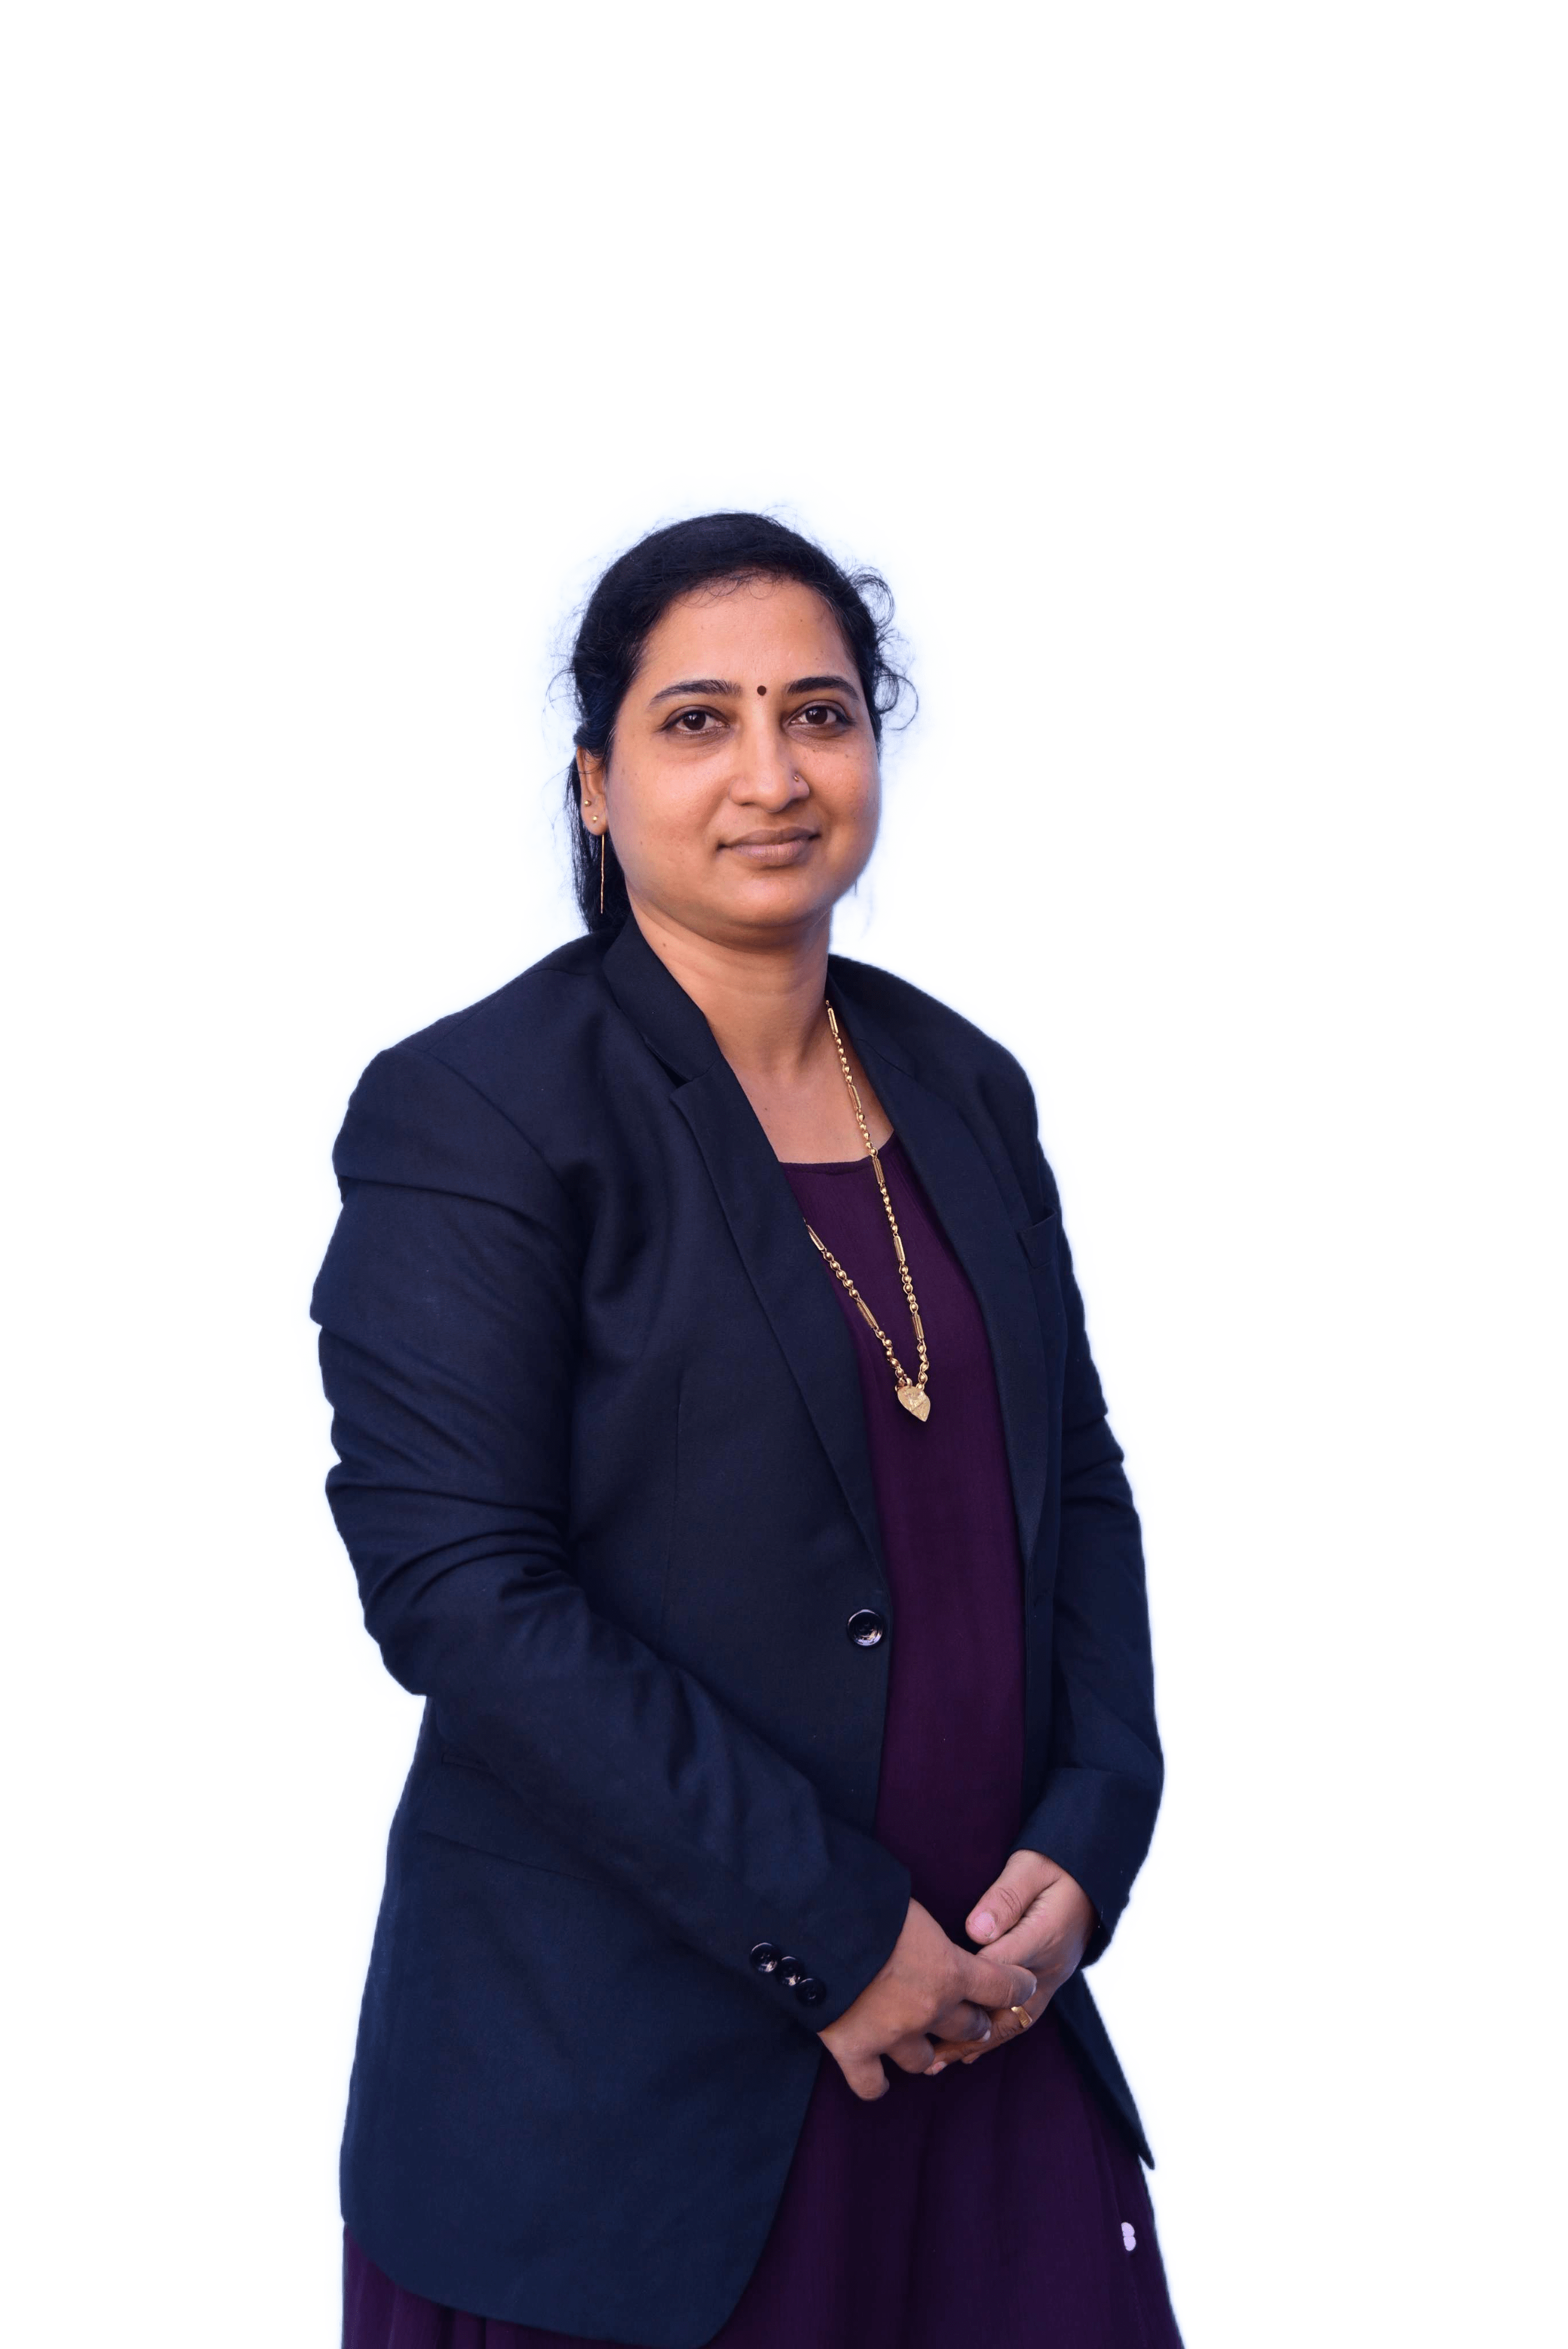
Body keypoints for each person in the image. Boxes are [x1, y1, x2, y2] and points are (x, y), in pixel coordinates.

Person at [309, 509, 1180, 2348]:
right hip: (628, 2086)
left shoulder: (963, 1080)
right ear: (592, 784)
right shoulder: (472, 1109)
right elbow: (461, 1594)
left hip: (989, 2031)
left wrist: (1098, 1819)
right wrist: (842, 1937)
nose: (773, 776)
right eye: (697, 721)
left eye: (821, 714)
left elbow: (1078, 1482)